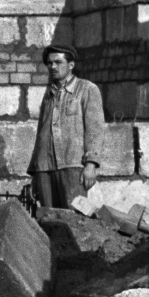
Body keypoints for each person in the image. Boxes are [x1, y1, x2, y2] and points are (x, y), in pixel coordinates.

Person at [27, 44, 105, 209]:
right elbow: (41, 134)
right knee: (48, 219)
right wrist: (35, 173)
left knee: (74, 220)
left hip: (73, 166)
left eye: (57, 62)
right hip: (45, 169)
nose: (52, 67)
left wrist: (90, 165)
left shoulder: (87, 89)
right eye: (49, 63)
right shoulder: (48, 95)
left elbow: (95, 130)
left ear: (71, 65)